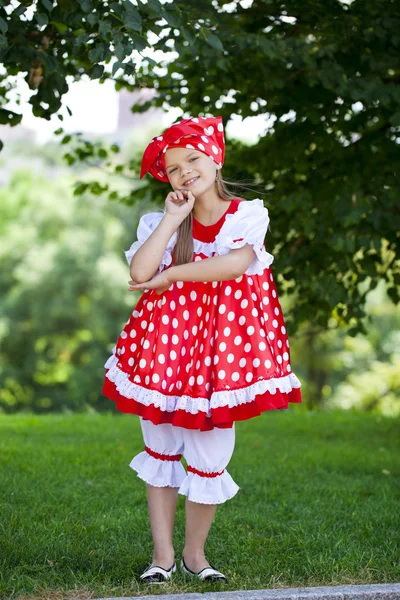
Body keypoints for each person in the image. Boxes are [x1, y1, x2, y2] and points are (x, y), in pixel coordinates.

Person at [102, 115, 302, 585]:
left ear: (214, 159)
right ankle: (162, 557)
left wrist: (171, 276)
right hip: (165, 351)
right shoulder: (163, 220)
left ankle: (196, 555)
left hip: (221, 355)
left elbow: (233, 266)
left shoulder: (248, 215)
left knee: (210, 453)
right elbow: (139, 272)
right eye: (172, 168)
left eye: (192, 159)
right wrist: (173, 218)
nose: (184, 171)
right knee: (162, 447)